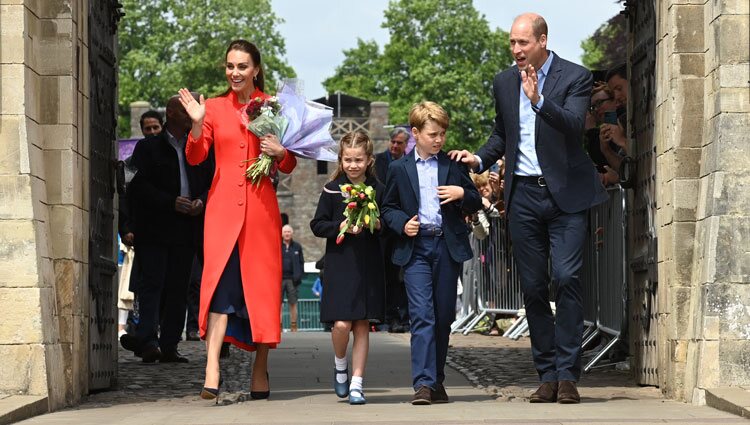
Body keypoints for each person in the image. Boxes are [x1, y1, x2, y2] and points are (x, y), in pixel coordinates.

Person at [450, 13, 608, 404]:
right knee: (533, 287)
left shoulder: (575, 76)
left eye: (523, 43)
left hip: (566, 195)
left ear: (542, 40)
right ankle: (548, 373)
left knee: (568, 277)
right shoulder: (504, 82)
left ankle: (569, 374)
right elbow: (502, 135)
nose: (516, 50)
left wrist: (539, 100)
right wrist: (478, 160)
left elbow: (574, 124)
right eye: (512, 43)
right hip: (522, 198)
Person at [179, 39, 297, 402]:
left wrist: (281, 153)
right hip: (221, 213)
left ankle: (260, 369)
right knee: (218, 288)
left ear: (256, 69)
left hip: (262, 214)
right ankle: (211, 368)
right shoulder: (212, 107)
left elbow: (291, 162)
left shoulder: (275, 107)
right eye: (230, 66)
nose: (235, 72)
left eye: (242, 66)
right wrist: (197, 125)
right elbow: (196, 156)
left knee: (260, 292)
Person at [382, 102, 481, 405]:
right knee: (422, 316)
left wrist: (462, 193)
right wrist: (402, 224)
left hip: (446, 246)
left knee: (443, 317)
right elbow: (388, 207)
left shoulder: (453, 165)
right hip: (416, 249)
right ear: (416, 133)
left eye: (442, 134)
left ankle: (436, 379)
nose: (439, 140)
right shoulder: (399, 169)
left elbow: (476, 200)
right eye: (433, 134)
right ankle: (423, 383)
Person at [121, 94, 213, 363]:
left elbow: (211, 180)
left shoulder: (200, 147)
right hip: (156, 228)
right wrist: (169, 202)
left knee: (178, 287)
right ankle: (148, 340)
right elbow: (136, 186)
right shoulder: (148, 148)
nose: (193, 114)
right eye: (187, 110)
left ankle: (170, 344)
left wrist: (201, 202)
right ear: (172, 113)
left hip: (187, 229)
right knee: (152, 285)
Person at [310, 131, 386, 405]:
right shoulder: (332, 190)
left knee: (363, 325)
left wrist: (377, 224)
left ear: (369, 160)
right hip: (341, 264)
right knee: (342, 324)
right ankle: (340, 364)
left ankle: (357, 383)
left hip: (368, 265)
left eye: (359, 160)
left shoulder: (378, 188)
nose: (353, 165)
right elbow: (317, 225)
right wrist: (341, 226)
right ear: (340, 161)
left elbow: (388, 221)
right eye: (348, 160)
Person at [375, 127, 411, 333]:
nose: (395, 146)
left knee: (404, 276)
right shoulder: (378, 161)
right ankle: (391, 317)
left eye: (400, 143)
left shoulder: (409, 163)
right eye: (393, 142)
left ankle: (405, 317)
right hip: (384, 228)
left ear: (406, 144)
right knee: (388, 275)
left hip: (403, 225)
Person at [281, 224, 304, 332]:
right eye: (285, 232)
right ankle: (279, 326)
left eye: (289, 232)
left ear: (292, 233)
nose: (287, 234)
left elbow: (301, 262)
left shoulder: (297, 247)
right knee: (278, 304)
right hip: (279, 279)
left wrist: (299, 275)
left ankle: (294, 326)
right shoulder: (277, 245)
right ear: (282, 233)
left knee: (293, 303)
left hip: (292, 280)